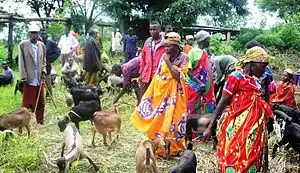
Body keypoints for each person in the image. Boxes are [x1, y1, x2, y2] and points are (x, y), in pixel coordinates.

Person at [202, 46, 273, 173]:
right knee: (236, 157)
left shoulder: (254, 80)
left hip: (254, 129)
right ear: (251, 63)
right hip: (239, 129)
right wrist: (209, 127)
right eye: (262, 66)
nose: (265, 70)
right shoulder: (235, 77)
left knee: (252, 159)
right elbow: (222, 103)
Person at [131, 32, 188, 157]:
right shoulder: (164, 56)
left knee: (176, 120)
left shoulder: (184, 58)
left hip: (176, 96)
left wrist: (168, 62)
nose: (166, 49)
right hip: (161, 94)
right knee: (159, 118)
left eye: (169, 46)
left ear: (176, 47)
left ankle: (175, 148)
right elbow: (159, 75)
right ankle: (159, 146)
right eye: (165, 46)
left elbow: (178, 77)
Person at [19, 24, 46, 125]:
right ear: (29, 34)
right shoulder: (23, 45)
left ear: (39, 34)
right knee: (27, 103)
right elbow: (21, 62)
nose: (34, 35)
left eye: (36, 33)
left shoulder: (41, 45)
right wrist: (23, 76)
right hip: (29, 78)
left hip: (39, 78)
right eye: (32, 33)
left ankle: (40, 121)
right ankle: (24, 122)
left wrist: (44, 71)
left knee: (41, 102)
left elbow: (44, 60)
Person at [186, 30, 216, 115]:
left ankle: (205, 125)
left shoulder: (205, 52)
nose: (209, 41)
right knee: (194, 106)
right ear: (203, 40)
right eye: (208, 39)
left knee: (207, 107)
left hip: (207, 86)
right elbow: (188, 71)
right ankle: (192, 126)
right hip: (196, 86)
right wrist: (199, 83)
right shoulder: (193, 52)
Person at [140, 21, 165, 97]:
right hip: (147, 75)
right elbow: (143, 59)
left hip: (159, 76)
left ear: (159, 30)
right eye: (150, 30)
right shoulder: (147, 42)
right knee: (145, 97)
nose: (152, 32)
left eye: (154, 29)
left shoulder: (165, 43)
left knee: (156, 97)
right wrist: (142, 73)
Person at [40, 29, 61, 97]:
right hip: (37, 66)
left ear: (47, 35)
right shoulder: (36, 42)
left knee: (48, 82)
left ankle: (49, 97)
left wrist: (49, 59)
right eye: (41, 34)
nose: (43, 36)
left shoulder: (51, 43)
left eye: (44, 34)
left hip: (47, 65)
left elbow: (57, 51)